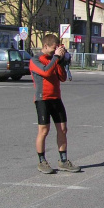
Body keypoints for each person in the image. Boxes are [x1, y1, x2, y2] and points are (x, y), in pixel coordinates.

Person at [30, 34, 80, 174]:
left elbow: (62, 77)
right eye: (53, 50)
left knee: (63, 129)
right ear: (45, 46)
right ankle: (42, 161)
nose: (54, 52)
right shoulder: (35, 60)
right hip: (43, 99)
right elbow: (45, 72)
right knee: (44, 130)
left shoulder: (55, 59)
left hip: (56, 98)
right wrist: (56, 58)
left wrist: (62, 61)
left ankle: (63, 161)